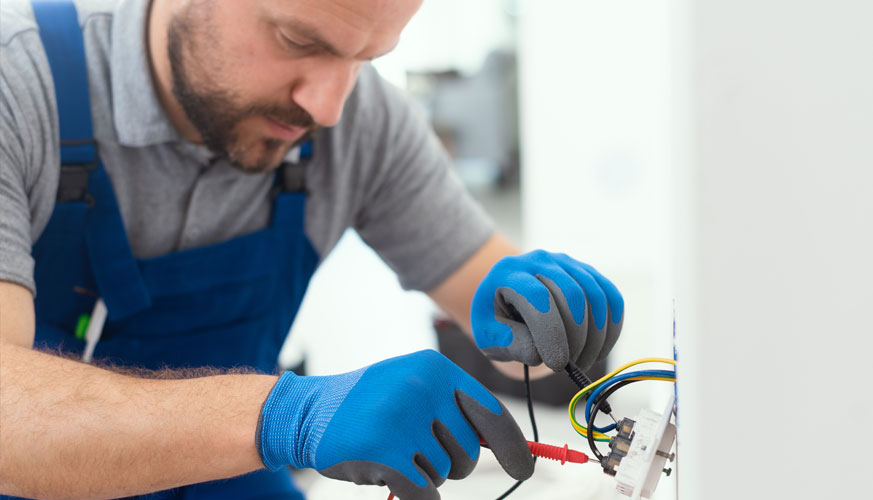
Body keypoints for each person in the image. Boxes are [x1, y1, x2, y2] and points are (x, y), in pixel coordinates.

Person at [0, 0, 624, 499]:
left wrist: (544, 321)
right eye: (300, 41)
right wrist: (288, 416)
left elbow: (508, 322)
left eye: (367, 57)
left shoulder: (363, 119)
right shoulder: (19, 81)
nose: (326, 107)